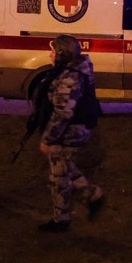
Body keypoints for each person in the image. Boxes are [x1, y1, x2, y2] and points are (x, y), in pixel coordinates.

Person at [36, 34, 105, 232]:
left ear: (61, 54)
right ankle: (92, 196)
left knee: (58, 177)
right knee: (65, 167)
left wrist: (48, 139)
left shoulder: (69, 77)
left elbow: (63, 113)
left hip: (69, 132)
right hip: (76, 129)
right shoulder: (75, 70)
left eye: (52, 51)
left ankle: (61, 219)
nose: (49, 54)